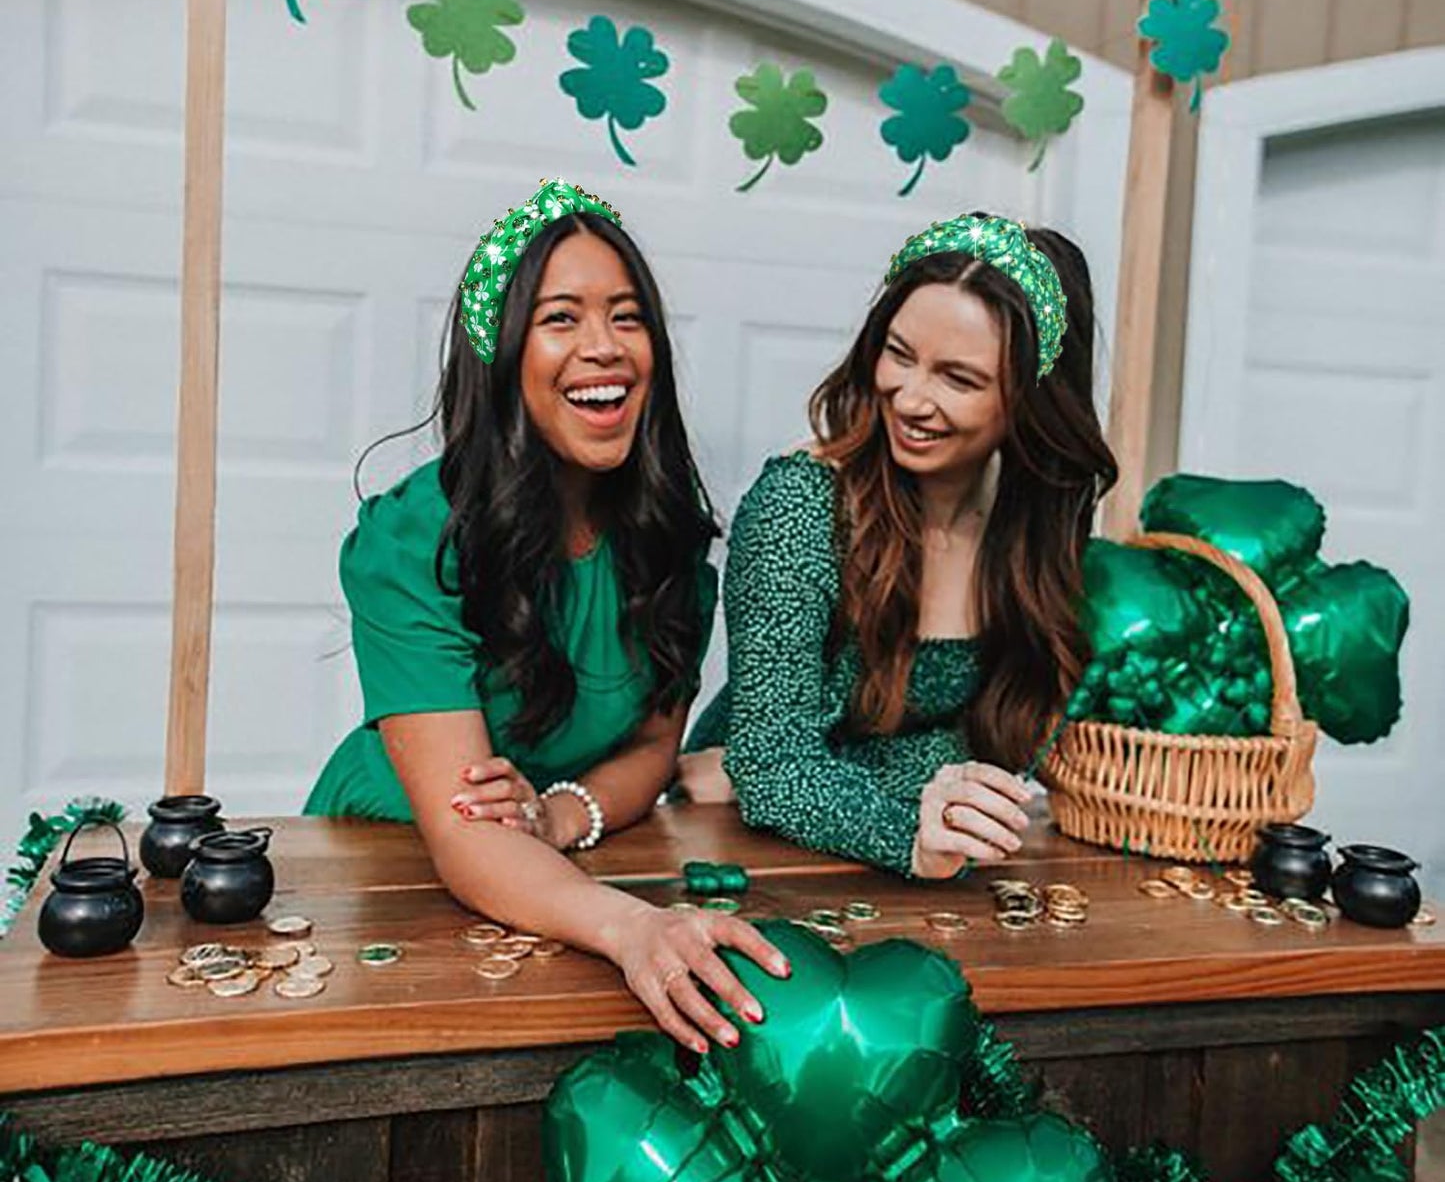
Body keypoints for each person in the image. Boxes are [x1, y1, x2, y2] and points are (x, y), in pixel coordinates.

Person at [305, 178, 789, 1048]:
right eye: (561, 318)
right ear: (500, 352)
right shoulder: (413, 540)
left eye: (627, 316)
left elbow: (650, 747)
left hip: (560, 874)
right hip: (394, 864)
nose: (602, 346)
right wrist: (636, 928)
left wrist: (560, 813)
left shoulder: (669, 539)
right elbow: (466, 835)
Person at [682, 211, 1116, 879]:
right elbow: (769, 764)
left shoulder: (1023, 521)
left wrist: (944, 795)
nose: (910, 397)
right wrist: (916, 827)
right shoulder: (801, 504)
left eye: (958, 379)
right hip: (745, 855)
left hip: (938, 866)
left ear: (1029, 399)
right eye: (898, 353)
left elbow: (1003, 739)